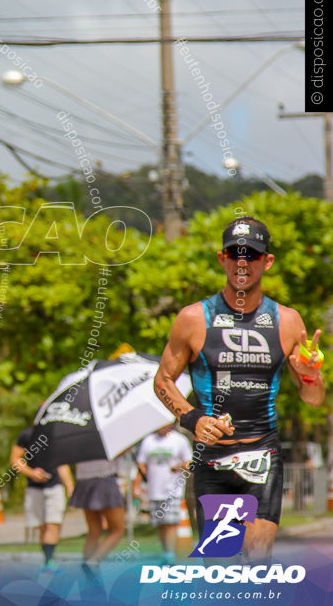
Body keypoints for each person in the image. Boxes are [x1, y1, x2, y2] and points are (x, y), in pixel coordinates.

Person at [153, 216, 325, 561]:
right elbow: (162, 381)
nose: (242, 262)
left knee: (257, 552)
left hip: (263, 453)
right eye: (235, 254)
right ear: (222, 259)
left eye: (252, 254)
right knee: (222, 561)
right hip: (213, 457)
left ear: (267, 261)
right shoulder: (193, 318)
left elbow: (313, 400)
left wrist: (310, 376)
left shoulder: (288, 321)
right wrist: (194, 420)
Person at [12, 427, 73, 573]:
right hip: (34, 488)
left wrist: (70, 486)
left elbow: (62, 464)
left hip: (54, 486)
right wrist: (31, 473)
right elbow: (15, 459)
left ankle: (48, 561)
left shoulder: (58, 434)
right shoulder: (26, 434)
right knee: (42, 526)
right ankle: (48, 560)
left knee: (53, 524)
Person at [137, 423, 192, 564]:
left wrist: (179, 467)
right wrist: (143, 477)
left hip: (173, 489)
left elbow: (189, 462)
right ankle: (166, 552)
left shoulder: (179, 440)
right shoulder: (148, 440)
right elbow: (141, 462)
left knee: (170, 522)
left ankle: (170, 555)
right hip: (154, 488)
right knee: (160, 523)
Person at [70, 458, 125, 575]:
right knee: (117, 530)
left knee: (94, 531)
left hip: (83, 481)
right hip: (105, 479)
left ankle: (88, 569)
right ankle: (93, 562)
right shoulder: (109, 441)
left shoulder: (80, 440)